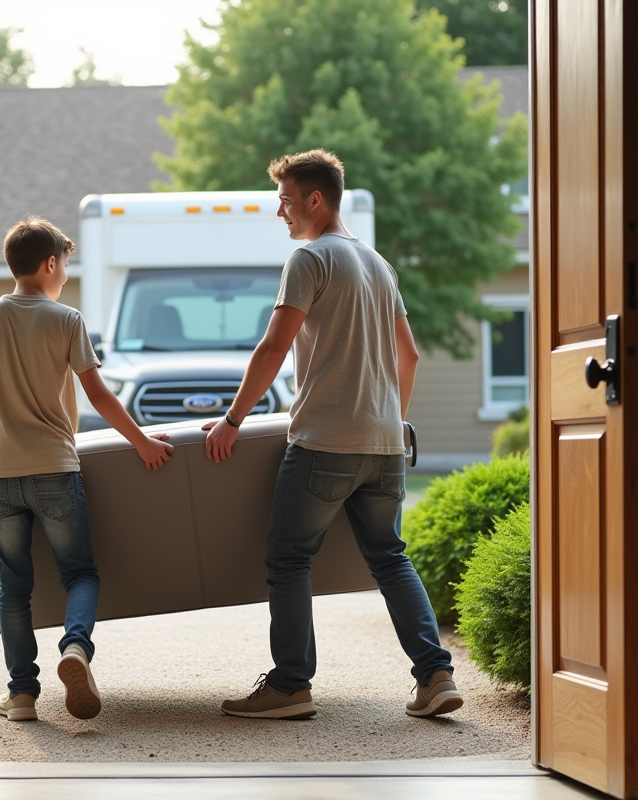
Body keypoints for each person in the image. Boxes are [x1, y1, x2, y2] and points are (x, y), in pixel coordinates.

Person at [204, 149, 462, 720]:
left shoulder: (309, 259)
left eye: (285, 201)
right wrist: (389, 420)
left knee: (288, 558)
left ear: (315, 199)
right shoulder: (378, 264)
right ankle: (436, 675)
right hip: (385, 443)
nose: (281, 213)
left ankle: (291, 685)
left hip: (325, 443)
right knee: (391, 558)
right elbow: (410, 354)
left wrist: (232, 419)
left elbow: (274, 347)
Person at [0, 216, 174, 723]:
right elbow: (99, 395)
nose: (66, 274)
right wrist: (142, 442)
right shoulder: (67, 320)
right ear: (49, 264)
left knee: (13, 587)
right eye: (65, 265)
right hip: (55, 471)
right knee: (80, 574)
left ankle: (22, 694)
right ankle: (75, 648)